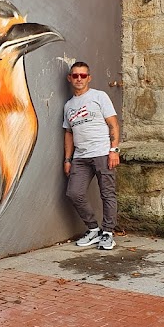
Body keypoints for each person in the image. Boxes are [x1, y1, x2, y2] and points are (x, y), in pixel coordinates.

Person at [63, 61, 120, 250]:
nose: (79, 79)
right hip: (80, 157)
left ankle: (108, 233)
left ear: (89, 78)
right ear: (70, 78)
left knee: (107, 194)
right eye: (75, 75)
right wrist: (68, 159)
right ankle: (94, 229)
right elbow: (69, 133)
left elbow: (113, 124)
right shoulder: (69, 105)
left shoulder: (99, 96)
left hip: (103, 153)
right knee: (74, 193)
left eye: (83, 75)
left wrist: (114, 150)